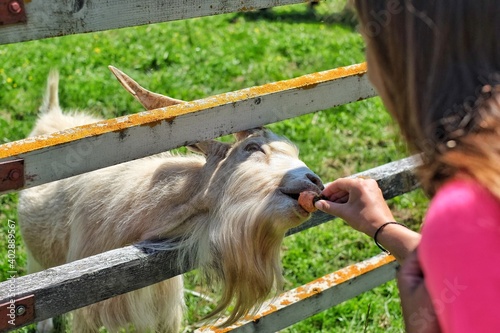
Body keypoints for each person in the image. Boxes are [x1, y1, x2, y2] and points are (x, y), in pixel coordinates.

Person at [314, 1, 500, 332]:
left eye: (369, 45)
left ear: (409, 58)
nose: (370, 70)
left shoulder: (468, 211)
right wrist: (383, 227)